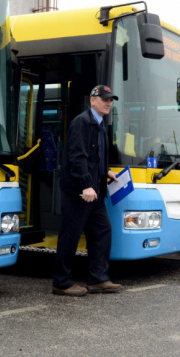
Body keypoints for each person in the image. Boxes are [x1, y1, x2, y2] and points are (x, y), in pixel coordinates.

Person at [52, 85, 122, 296]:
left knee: (102, 231)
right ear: (92, 101)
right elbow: (77, 157)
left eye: (110, 99)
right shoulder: (82, 122)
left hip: (95, 191)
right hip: (79, 192)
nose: (108, 102)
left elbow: (95, 156)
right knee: (71, 236)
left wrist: (107, 171)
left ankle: (97, 279)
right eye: (104, 99)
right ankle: (61, 282)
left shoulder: (100, 124)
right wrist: (85, 185)